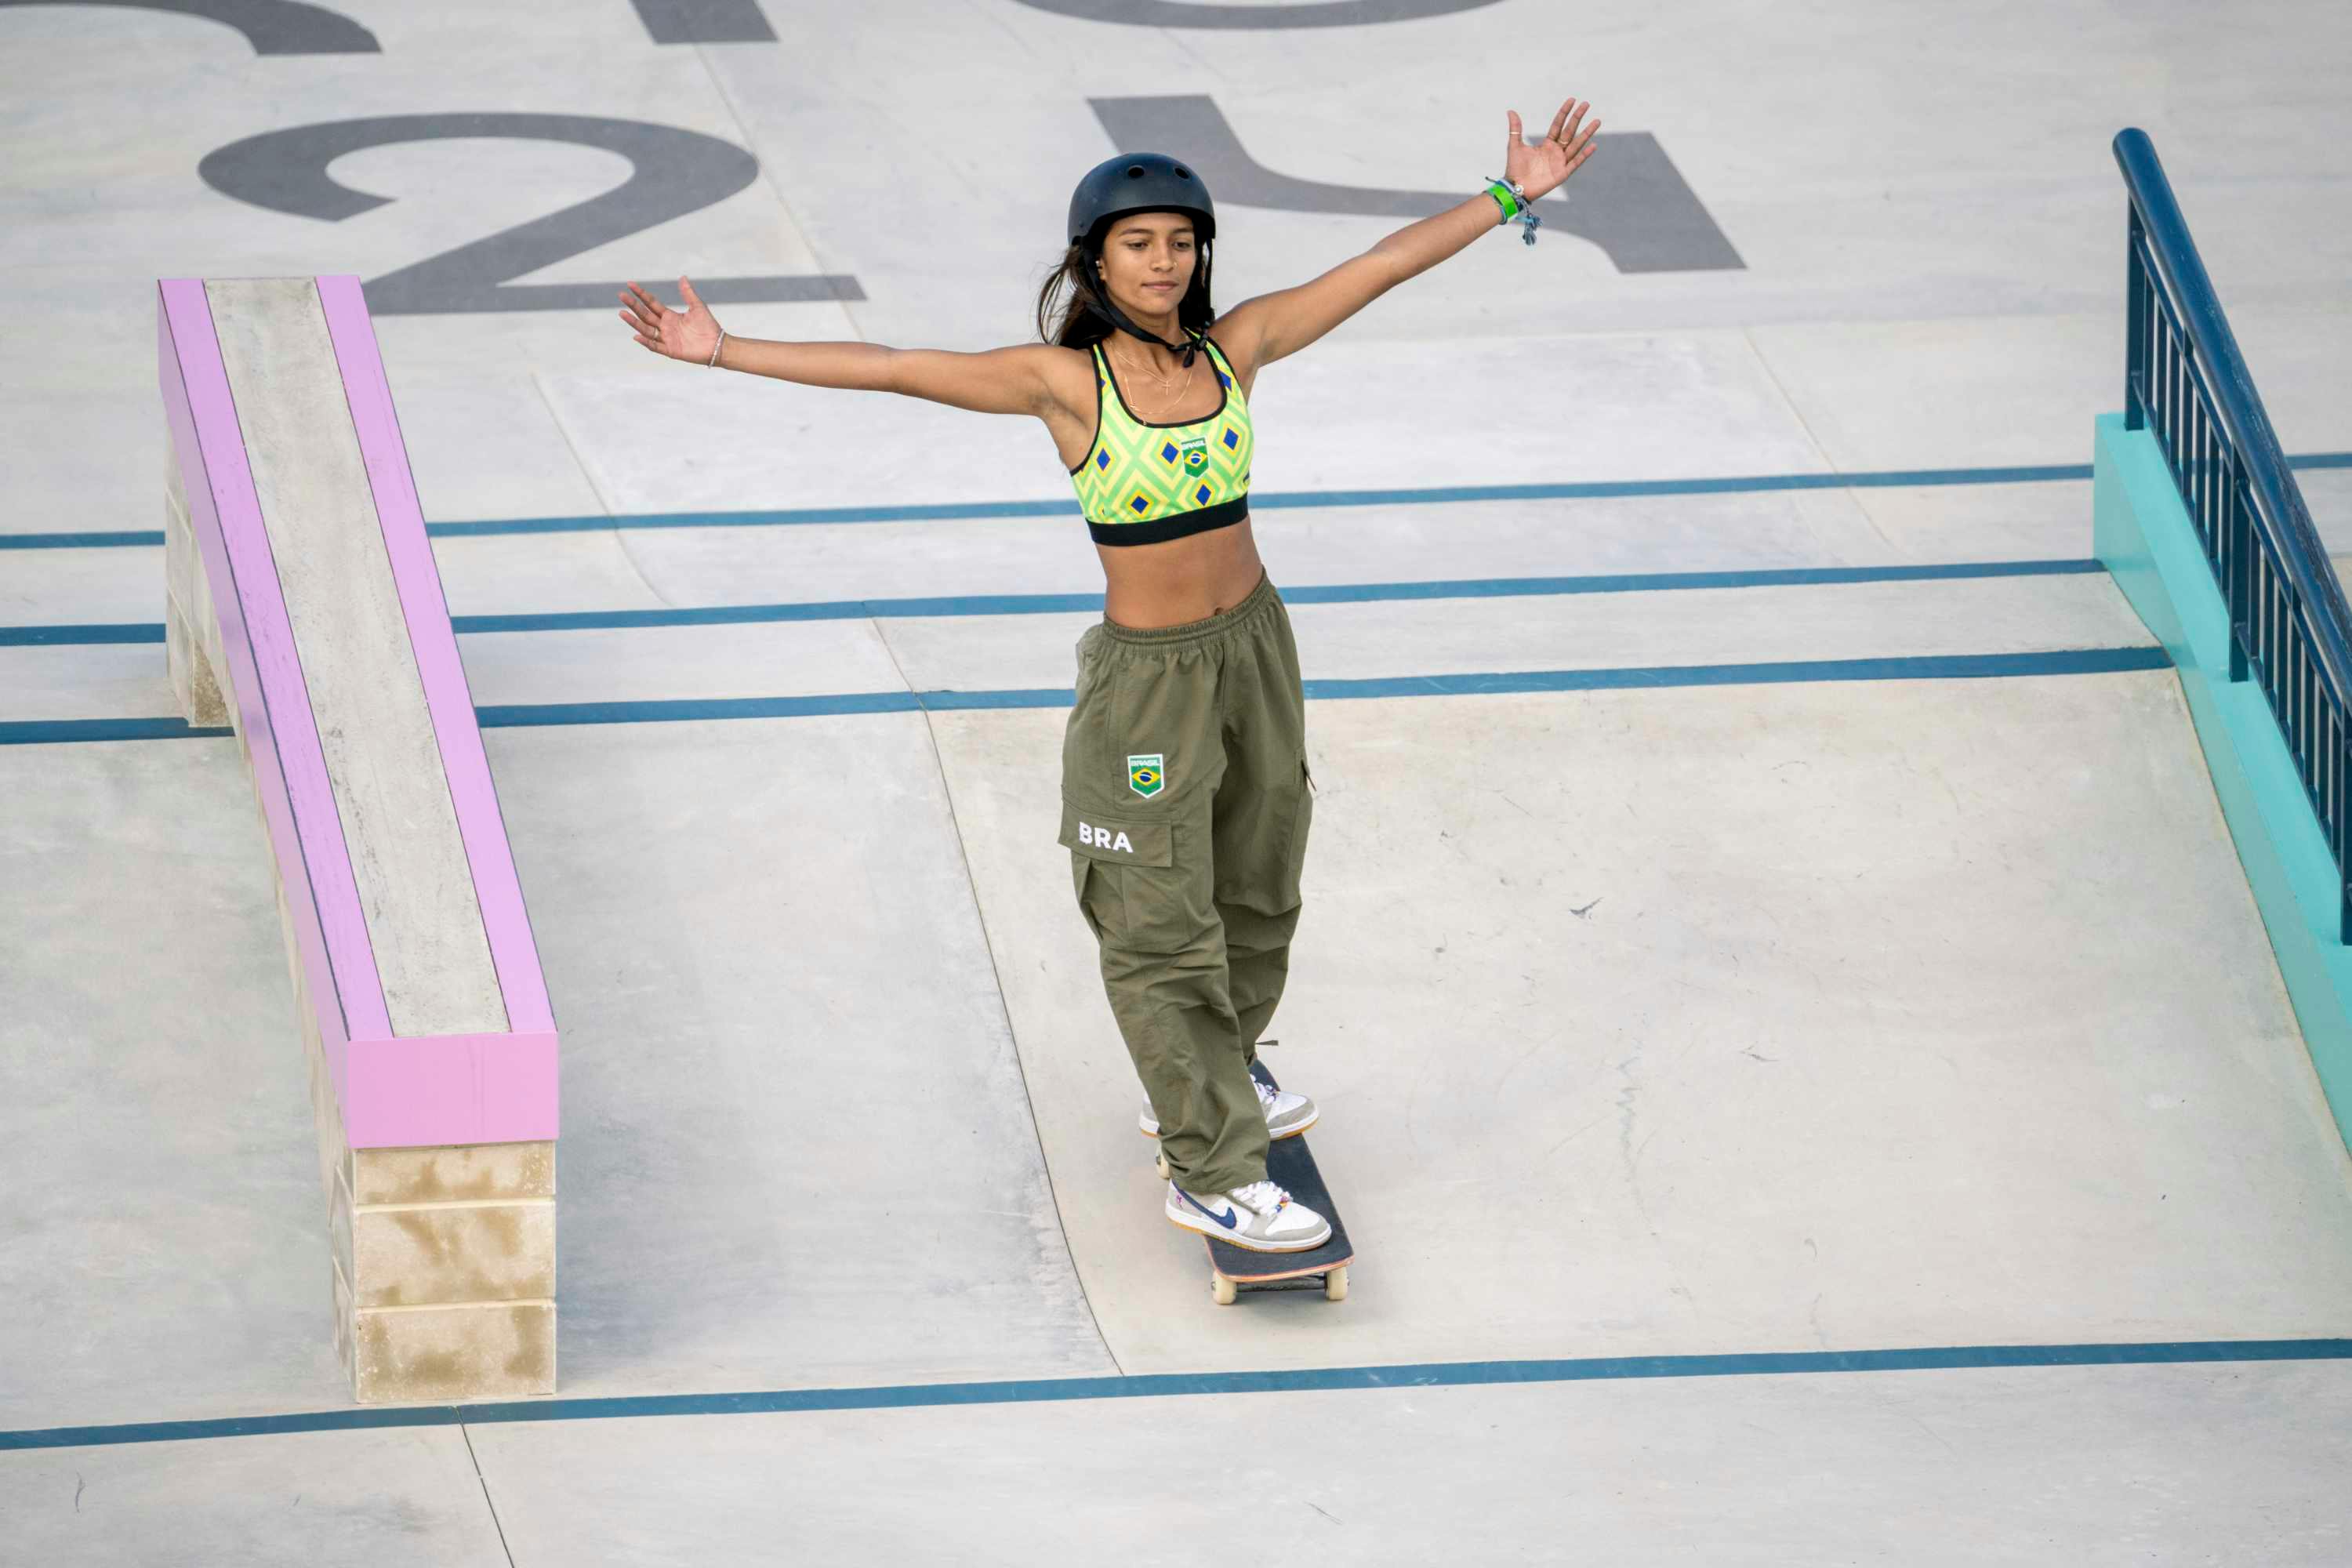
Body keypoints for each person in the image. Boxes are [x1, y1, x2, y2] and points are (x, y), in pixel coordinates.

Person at [619, 100, 1600, 1254]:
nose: (1163, 262)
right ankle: (1210, 1166)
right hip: (1149, 684)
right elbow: (895, 367)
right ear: (1093, 260)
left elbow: (1378, 266)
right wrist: (725, 349)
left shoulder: (1237, 349)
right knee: (1160, 921)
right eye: (1138, 244)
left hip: (1256, 648)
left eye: (1180, 242)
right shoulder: (1066, 384)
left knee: (1262, 877)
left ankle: (1223, 1058)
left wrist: (1511, 195)